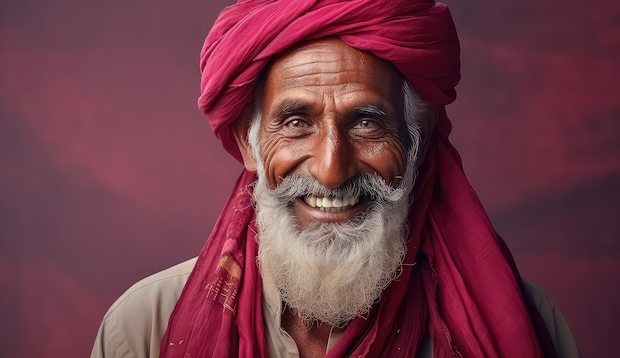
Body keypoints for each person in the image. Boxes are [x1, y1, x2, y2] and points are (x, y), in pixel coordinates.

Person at [91, 0, 581, 357]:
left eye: (367, 122)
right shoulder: (143, 332)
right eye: (296, 122)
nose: (331, 168)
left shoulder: (526, 328)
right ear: (248, 144)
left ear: (418, 139)